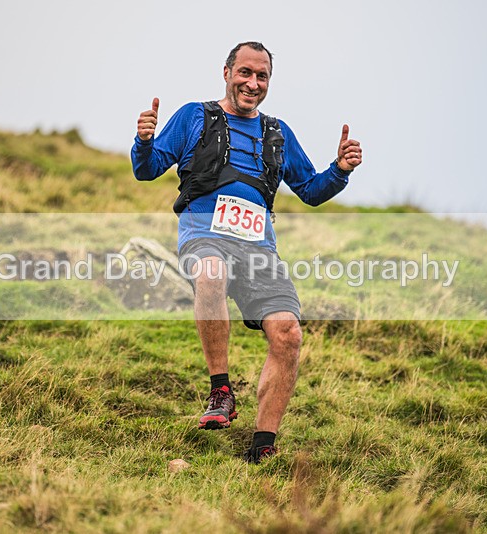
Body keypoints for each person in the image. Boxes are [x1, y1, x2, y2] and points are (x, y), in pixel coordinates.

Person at [131, 41, 362, 463]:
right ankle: (221, 391)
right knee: (212, 272)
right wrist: (144, 141)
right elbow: (146, 170)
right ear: (226, 72)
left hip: (259, 249)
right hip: (205, 236)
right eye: (245, 73)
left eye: (262, 77)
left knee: (288, 334)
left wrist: (340, 171)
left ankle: (262, 447)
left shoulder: (277, 133)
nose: (252, 83)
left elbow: (310, 190)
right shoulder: (193, 117)